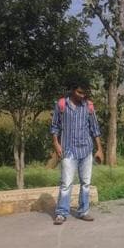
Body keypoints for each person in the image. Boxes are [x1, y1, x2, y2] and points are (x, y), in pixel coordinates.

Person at [51, 79, 104, 225]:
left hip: (86, 150)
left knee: (86, 183)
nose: (82, 95)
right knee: (66, 183)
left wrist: (99, 149)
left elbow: (95, 129)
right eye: (79, 92)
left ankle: (83, 212)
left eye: (84, 93)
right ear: (72, 90)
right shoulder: (62, 105)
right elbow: (55, 126)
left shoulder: (88, 106)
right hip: (68, 150)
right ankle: (61, 213)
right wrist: (56, 143)